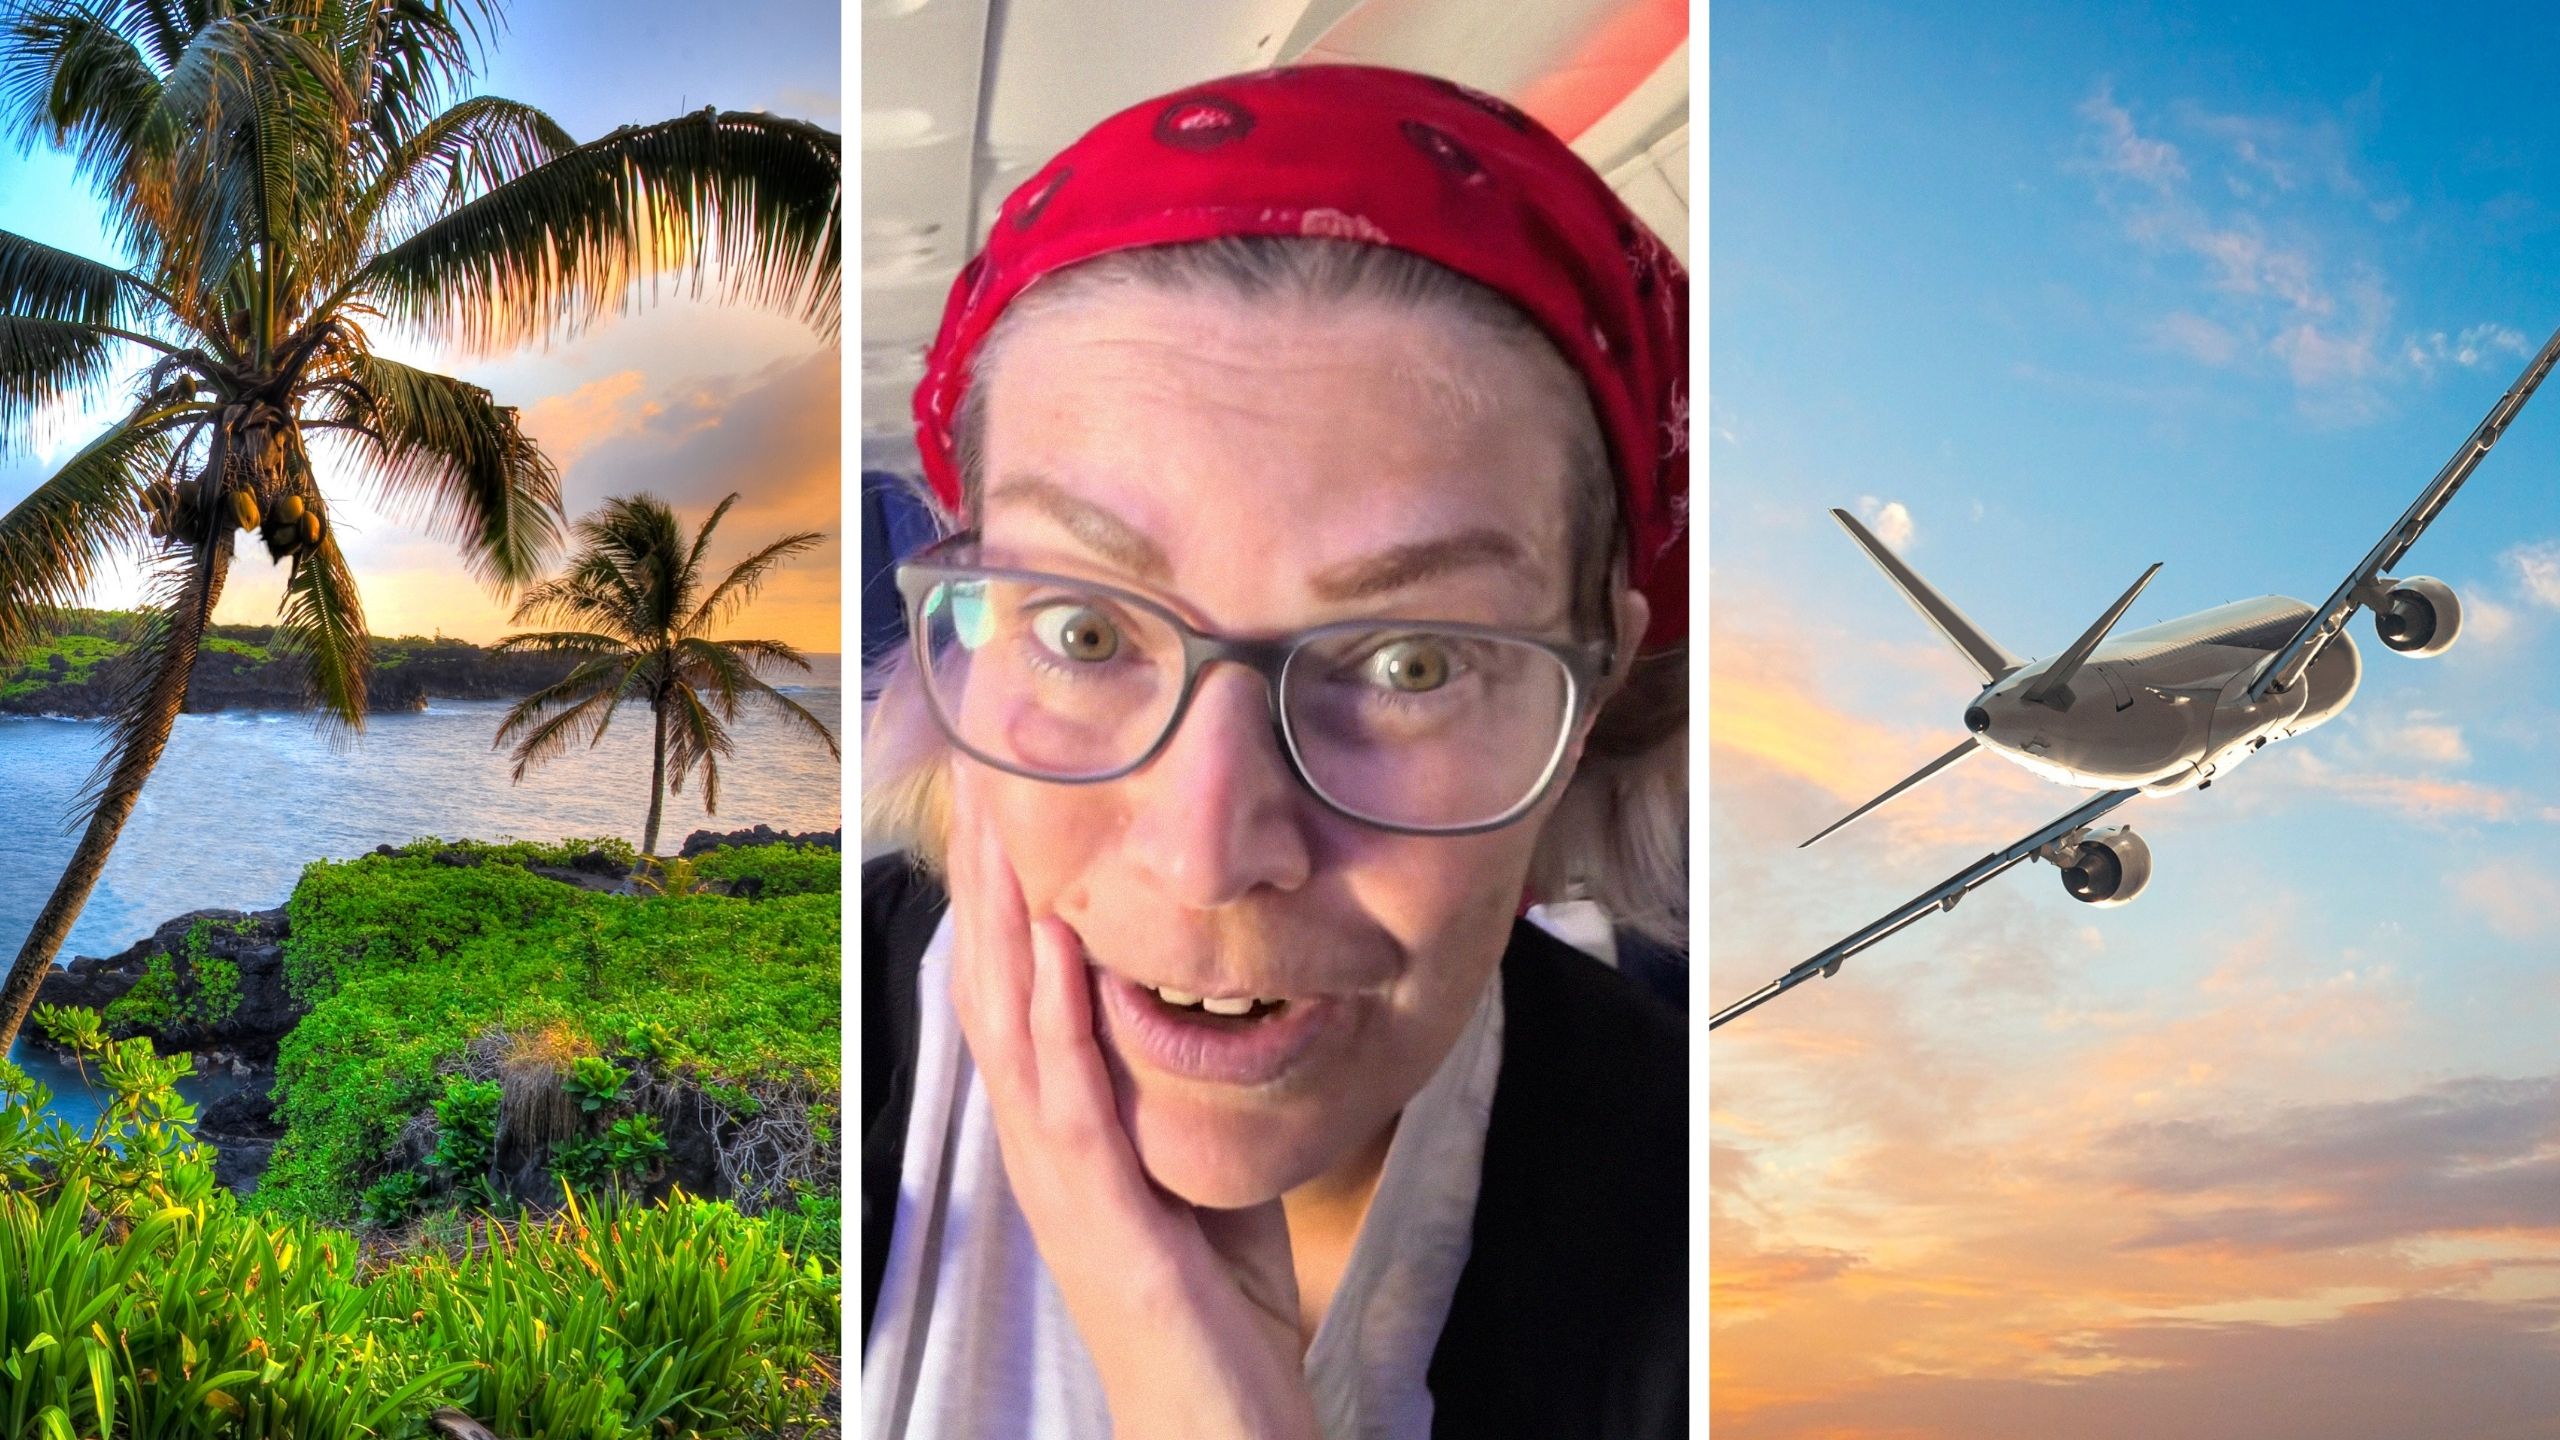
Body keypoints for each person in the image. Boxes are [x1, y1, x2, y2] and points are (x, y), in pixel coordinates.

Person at [861, 63, 1687, 1440]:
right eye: (1080, 630)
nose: (1208, 854)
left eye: (1409, 663)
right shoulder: (833, 1061)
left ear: (1591, 682)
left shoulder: (1692, 1220)